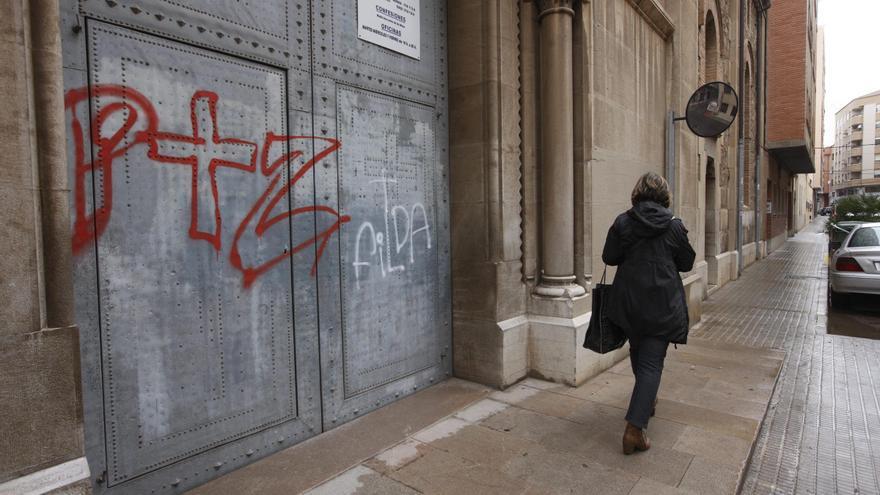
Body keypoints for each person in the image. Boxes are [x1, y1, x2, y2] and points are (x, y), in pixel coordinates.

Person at [601, 172, 696, 455]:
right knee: (651, 365)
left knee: (640, 355)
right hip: (662, 304)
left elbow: (609, 257)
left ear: (637, 193)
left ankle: (646, 399)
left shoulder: (623, 222)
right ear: (665, 195)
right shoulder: (674, 225)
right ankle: (634, 429)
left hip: (630, 303)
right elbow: (687, 261)